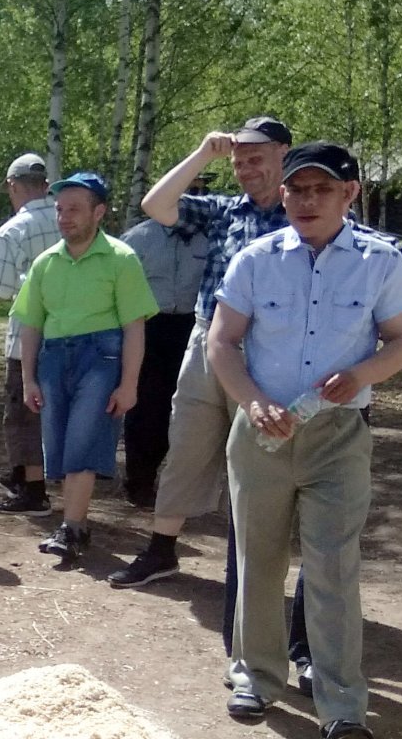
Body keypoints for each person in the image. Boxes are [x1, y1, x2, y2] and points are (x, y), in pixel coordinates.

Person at [208, 142, 402, 739]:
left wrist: (362, 375)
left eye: (322, 189)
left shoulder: (380, 261)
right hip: (261, 432)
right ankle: (256, 676)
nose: (306, 200)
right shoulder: (256, 258)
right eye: (298, 189)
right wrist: (251, 401)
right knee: (260, 558)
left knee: (332, 566)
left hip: (339, 434)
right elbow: (222, 342)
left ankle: (342, 706)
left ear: (350, 194)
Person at [110, 116, 292, 589]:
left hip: (268, 349)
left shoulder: (306, 213)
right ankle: (161, 549)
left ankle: (248, 567)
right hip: (207, 339)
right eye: (239, 162)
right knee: (186, 444)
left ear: (283, 156)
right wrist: (203, 154)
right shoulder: (224, 210)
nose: (246, 169)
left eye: (256, 158)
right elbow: (157, 204)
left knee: (254, 456)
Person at [13, 171, 156, 562]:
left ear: (99, 213)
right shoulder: (46, 263)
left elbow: (134, 328)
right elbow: (30, 324)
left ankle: (72, 527)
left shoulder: (121, 259)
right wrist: (28, 378)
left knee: (83, 439)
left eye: (75, 209)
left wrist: (129, 384)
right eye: (60, 209)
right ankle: (72, 524)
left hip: (101, 357)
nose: (64, 217)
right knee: (57, 446)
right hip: (54, 358)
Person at [0, 153, 63, 516]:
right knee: (58, 408)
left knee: (22, 412)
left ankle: (33, 488)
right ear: (45, 185)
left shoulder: (13, 230)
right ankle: (28, 474)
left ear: (13, 186)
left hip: (26, 336)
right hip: (72, 330)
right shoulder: (70, 218)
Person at [118, 208, 208, 509]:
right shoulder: (138, 238)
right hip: (148, 328)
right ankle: (138, 481)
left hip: (191, 327)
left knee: (183, 406)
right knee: (145, 405)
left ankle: (171, 479)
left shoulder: (209, 238)